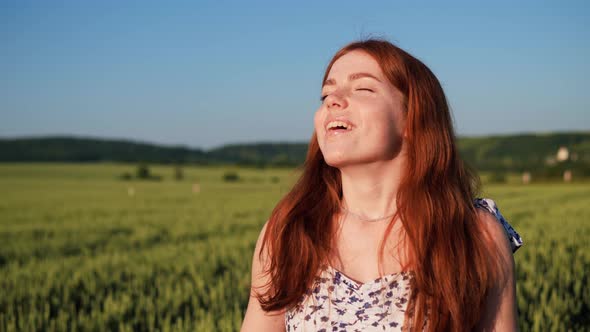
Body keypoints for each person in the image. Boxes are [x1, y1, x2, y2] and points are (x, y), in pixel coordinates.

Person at [241, 39, 523, 332]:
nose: (333, 100)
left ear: (412, 118)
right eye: (326, 94)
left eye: (362, 88)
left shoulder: (474, 233)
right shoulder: (289, 230)